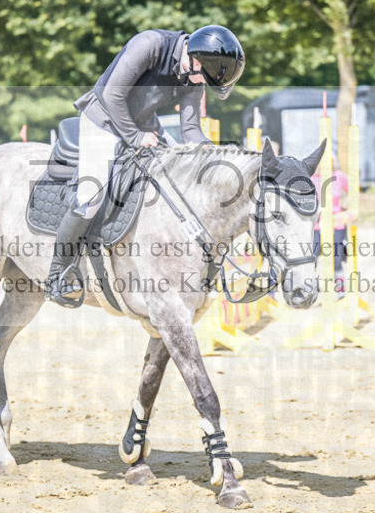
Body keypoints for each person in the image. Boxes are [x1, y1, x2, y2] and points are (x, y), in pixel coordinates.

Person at [45, 25, 245, 307]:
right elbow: (112, 96)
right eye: (204, 79)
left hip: (144, 127)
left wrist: (214, 155)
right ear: (197, 61)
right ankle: (58, 274)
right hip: (102, 121)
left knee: (177, 182)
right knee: (90, 198)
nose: (201, 85)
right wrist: (136, 137)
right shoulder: (150, 44)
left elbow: (190, 131)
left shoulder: (194, 75)